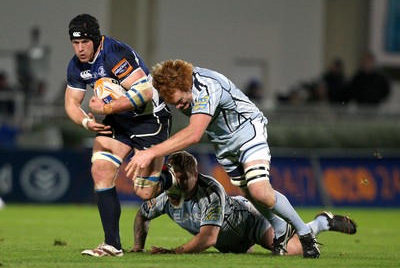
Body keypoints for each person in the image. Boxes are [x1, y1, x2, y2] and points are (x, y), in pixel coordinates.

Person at [125, 59, 321, 258]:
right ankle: (281, 229)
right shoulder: (174, 90)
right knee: (250, 194)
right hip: (223, 142)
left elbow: (194, 133)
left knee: (259, 190)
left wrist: (151, 152)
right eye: (173, 103)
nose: (178, 106)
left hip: (247, 130)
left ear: (185, 84)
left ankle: (305, 233)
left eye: (180, 100)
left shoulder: (207, 86)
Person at [64, 14, 177, 257]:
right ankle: (112, 244)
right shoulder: (76, 65)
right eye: (75, 43)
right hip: (119, 120)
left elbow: (144, 92)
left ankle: (175, 177)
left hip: (149, 119)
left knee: (144, 192)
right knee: (101, 169)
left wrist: (105, 109)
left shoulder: (115, 53)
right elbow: (71, 103)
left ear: (95, 39)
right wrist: (85, 121)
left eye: (84, 42)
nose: (80, 48)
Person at [130, 151, 357, 255]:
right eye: (177, 177)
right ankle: (319, 222)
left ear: (195, 175)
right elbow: (142, 215)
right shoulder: (164, 196)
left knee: (290, 251)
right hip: (232, 242)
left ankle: (321, 222)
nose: (181, 182)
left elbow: (208, 238)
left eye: (185, 178)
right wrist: (139, 246)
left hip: (250, 222)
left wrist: (173, 252)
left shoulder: (210, 192)